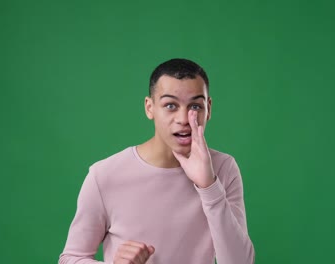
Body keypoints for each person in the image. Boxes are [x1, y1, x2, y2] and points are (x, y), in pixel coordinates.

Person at [58, 58, 255, 264]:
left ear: (209, 108)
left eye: (195, 106)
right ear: (149, 108)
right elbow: (70, 258)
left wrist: (209, 186)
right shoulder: (104, 175)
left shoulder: (224, 169)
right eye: (170, 105)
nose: (184, 119)